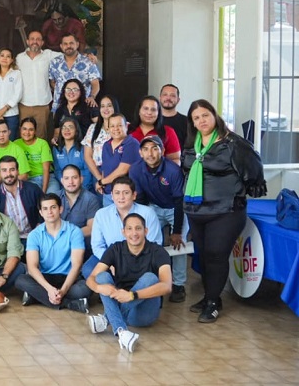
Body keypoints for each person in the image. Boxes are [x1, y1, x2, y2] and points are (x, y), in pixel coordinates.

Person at [181, 99, 266, 323]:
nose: (201, 120)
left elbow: (254, 170)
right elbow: (185, 172)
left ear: (214, 115)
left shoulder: (233, 143)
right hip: (196, 211)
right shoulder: (191, 144)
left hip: (226, 212)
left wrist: (240, 191)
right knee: (203, 256)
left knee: (216, 255)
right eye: (196, 118)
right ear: (192, 122)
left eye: (205, 115)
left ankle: (212, 303)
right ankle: (211, 297)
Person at [86, 213, 172, 353]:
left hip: (143, 314)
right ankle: (122, 332)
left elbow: (167, 286)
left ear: (146, 231)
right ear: (123, 232)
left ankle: (107, 319)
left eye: (138, 228)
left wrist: (132, 295)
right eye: (129, 229)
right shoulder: (115, 248)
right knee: (101, 277)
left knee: (150, 278)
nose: (134, 233)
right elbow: (91, 278)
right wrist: (98, 288)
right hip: (122, 305)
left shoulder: (158, 251)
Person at [130, 135, 188, 303]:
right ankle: (152, 279)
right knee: (147, 240)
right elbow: (140, 200)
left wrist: (176, 231)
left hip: (175, 208)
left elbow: (179, 201)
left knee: (179, 243)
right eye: (146, 149)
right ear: (140, 153)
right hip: (153, 207)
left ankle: (178, 285)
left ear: (162, 151)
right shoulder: (135, 169)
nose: (150, 153)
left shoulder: (173, 170)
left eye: (155, 149)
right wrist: (142, 224)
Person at [16, 194, 91, 313]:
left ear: (60, 209)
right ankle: (70, 304)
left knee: (84, 288)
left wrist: (63, 291)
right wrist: (49, 289)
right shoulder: (34, 235)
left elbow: (77, 265)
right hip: (45, 278)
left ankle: (37, 296)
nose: (49, 212)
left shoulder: (74, 231)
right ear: (41, 212)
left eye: (53, 207)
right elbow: (32, 267)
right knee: (20, 280)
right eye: (45, 209)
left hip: (68, 278)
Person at [86, 177, 163, 279]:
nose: (121, 197)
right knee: (88, 269)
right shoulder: (101, 214)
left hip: (140, 257)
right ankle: (112, 289)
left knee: (148, 276)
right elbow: (97, 246)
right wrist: (109, 261)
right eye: (117, 193)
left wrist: (131, 262)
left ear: (134, 195)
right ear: (112, 196)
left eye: (126, 193)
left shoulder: (147, 213)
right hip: (110, 257)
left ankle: (131, 290)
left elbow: (155, 243)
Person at [16, 30, 60, 142]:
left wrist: (87, 56)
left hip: (42, 105)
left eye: (38, 39)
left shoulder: (48, 55)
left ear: (42, 42)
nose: (35, 41)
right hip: (24, 104)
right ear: (27, 41)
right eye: (32, 39)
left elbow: (68, 55)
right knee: (24, 136)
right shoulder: (19, 58)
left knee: (41, 137)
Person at [0, 155, 43, 238]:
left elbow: (44, 209)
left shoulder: (33, 189)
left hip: (33, 236)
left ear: (18, 171)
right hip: (8, 239)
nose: (8, 174)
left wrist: (38, 229)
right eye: (4, 170)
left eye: (12, 170)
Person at [48, 33, 100, 112]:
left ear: (77, 44)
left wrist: (92, 97)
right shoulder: (54, 62)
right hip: (59, 107)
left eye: (71, 43)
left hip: (82, 107)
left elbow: (95, 84)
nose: (68, 46)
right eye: (65, 44)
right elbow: (52, 82)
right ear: (61, 46)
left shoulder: (88, 62)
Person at [98, 115, 141, 206]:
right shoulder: (106, 145)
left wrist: (101, 182)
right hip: (108, 194)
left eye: (119, 125)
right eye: (112, 126)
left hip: (125, 195)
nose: (116, 129)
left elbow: (123, 170)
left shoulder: (132, 144)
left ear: (126, 126)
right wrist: (102, 183)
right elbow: (104, 167)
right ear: (108, 129)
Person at [82, 94, 120, 193]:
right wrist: (99, 178)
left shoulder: (125, 126)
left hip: (120, 172)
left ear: (115, 107)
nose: (105, 109)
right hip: (98, 172)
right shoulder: (93, 128)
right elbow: (87, 156)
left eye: (109, 105)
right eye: (102, 106)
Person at [59, 163, 101, 251]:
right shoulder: (55, 198)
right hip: (59, 245)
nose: (70, 182)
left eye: (74, 177)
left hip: (83, 246)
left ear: (81, 179)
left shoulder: (91, 199)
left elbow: (91, 228)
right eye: (66, 178)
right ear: (62, 181)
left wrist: (68, 236)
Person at [129, 95, 181, 164]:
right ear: (139, 111)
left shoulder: (168, 131)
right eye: (146, 109)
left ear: (158, 113)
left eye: (153, 110)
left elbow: (175, 159)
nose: (149, 113)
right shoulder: (127, 129)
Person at [0, 48, 23, 140]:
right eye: (2, 55)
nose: (5, 58)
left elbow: (18, 93)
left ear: (12, 60)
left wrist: (5, 109)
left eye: (8, 56)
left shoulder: (16, 74)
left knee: (10, 140)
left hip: (11, 114)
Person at [52, 116, 91, 191]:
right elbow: (57, 170)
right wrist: (66, 185)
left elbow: (88, 170)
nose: (66, 130)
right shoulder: (56, 148)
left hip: (83, 187)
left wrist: (82, 189)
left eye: (70, 127)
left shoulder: (83, 147)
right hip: (64, 187)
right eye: (64, 127)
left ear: (76, 131)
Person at [52, 79, 95, 144]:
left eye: (75, 89)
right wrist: (55, 139)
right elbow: (57, 132)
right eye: (68, 89)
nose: (71, 92)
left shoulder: (88, 106)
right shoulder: (60, 110)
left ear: (81, 92)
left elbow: (99, 124)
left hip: (86, 144)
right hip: (66, 145)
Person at [15, 118, 52, 193]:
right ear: (20, 129)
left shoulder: (43, 144)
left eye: (31, 130)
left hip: (46, 177)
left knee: (53, 195)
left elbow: (46, 170)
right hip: (28, 179)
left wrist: (43, 192)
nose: (27, 132)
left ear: (35, 131)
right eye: (24, 129)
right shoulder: (16, 144)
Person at [159, 83, 188, 149]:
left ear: (178, 100)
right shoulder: (152, 120)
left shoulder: (187, 122)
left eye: (172, 95)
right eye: (165, 94)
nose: (168, 98)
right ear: (160, 98)